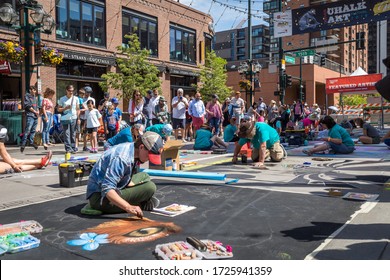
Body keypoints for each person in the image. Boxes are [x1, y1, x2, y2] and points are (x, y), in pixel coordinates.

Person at [82, 131, 164, 216]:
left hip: (115, 187)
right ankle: (140, 204)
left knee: (144, 176)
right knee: (150, 187)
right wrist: (128, 207)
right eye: (149, 156)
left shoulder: (132, 149)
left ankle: (132, 198)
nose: (149, 159)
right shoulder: (122, 158)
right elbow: (107, 189)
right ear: (141, 147)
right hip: (100, 199)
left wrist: (132, 186)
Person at [58, 84, 80, 153]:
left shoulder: (76, 98)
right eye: (70, 91)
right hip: (66, 117)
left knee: (73, 133)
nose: (71, 92)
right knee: (66, 133)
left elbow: (78, 109)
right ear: (66, 91)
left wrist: (78, 118)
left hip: (74, 117)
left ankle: (73, 147)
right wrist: (65, 108)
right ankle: (68, 148)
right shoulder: (62, 99)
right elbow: (58, 109)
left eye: (72, 91)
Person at [20, 85, 40, 153]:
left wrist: (38, 111)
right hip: (30, 115)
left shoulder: (35, 97)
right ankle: (23, 143)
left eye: (35, 90)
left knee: (33, 130)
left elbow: (36, 106)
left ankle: (31, 142)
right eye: (33, 90)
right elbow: (28, 106)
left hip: (35, 116)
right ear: (30, 90)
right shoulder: (27, 96)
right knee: (28, 129)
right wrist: (35, 111)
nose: (35, 91)